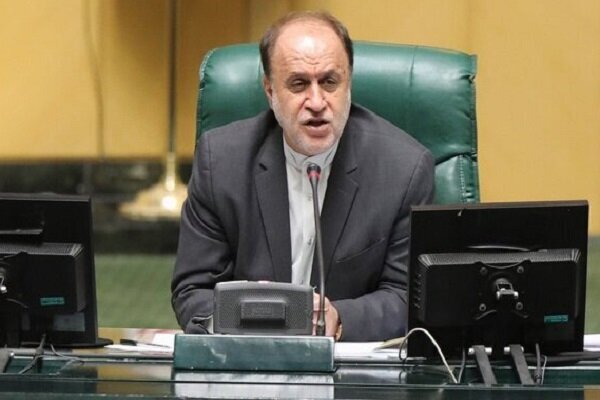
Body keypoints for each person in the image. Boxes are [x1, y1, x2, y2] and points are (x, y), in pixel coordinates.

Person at [171, 11, 434, 341]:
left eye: (329, 82)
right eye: (298, 84)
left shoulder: (403, 169)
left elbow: (408, 297)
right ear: (270, 91)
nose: (317, 102)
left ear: (349, 84)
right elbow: (193, 289)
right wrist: (259, 316)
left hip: (347, 364)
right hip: (249, 358)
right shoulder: (221, 161)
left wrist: (340, 318)